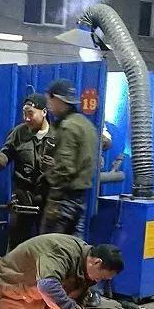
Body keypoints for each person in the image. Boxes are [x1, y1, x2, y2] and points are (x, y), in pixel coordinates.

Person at [0, 93, 55, 250]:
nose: (26, 118)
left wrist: (54, 169)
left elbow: (68, 170)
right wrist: (0, 160)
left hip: (48, 200)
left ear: (44, 112)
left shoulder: (58, 136)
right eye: (24, 113)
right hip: (23, 197)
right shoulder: (19, 133)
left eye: (30, 113)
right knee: (16, 243)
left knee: (47, 245)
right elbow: (7, 152)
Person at [41, 79, 98, 237]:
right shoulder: (86, 125)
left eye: (49, 100)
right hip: (80, 197)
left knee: (50, 244)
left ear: (58, 99)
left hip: (63, 198)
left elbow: (65, 167)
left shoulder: (68, 126)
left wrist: (54, 198)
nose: (49, 106)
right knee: (74, 244)